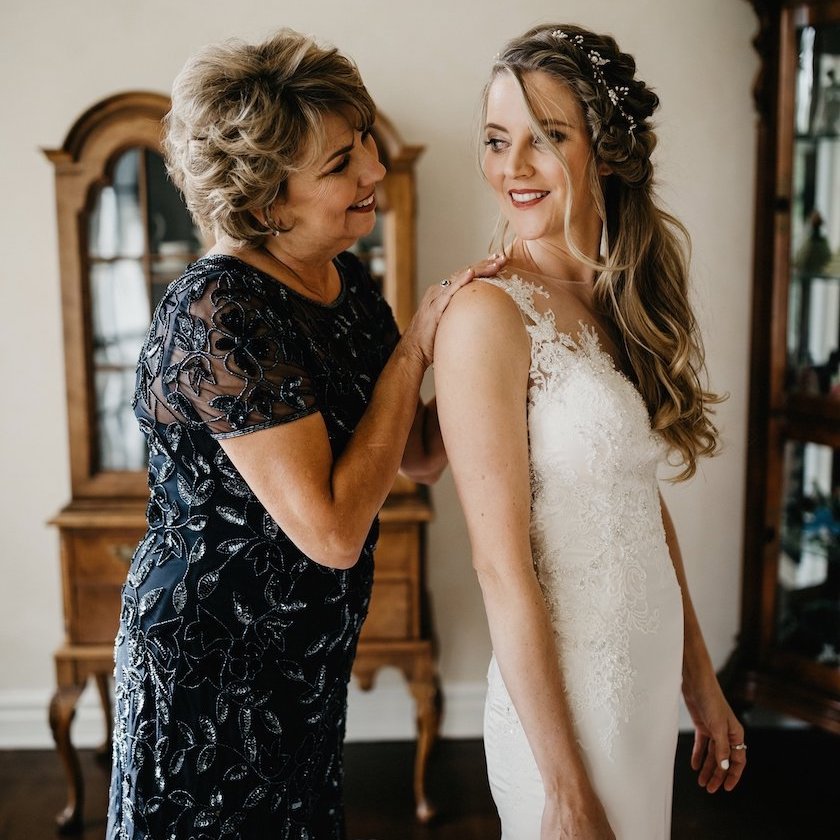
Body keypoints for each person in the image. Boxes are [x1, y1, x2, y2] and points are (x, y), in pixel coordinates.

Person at [105, 28, 503, 840]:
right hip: (207, 680)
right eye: (339, 165)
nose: (373, 170)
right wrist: (415, 348)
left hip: (301, 669)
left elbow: (419, 454)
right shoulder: (218, 313)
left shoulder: (345, 281)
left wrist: (496, 352)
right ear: (262, 203)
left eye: (362, 142)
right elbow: (330, 530)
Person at [433, 24, 746, 839]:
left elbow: (635, 506)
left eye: (548, 138)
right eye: (500, 140)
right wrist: (565, 788)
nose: (514, 167)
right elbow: (500, 566)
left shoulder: (614, 300)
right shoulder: (487, 317)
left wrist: (699, 682)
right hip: (566, 709)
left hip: (640, 684)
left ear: (604, 151)